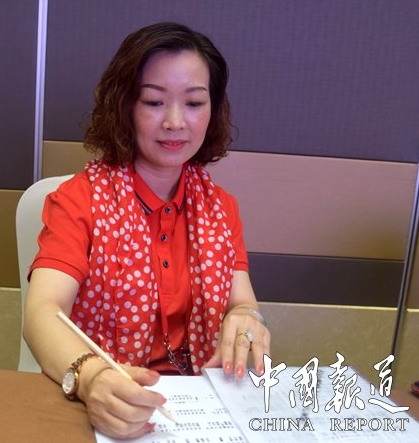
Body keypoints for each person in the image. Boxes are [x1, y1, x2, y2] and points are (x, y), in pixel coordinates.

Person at [23, 22, 270, 439]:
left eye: (194, 102)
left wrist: (247, 319)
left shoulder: (220, 208)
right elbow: (42, 313)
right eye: (154, 102)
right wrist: (92, 377)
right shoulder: (79, 200)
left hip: (198, 409)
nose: (175, 122)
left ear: (213, 110)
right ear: (125, 106)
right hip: (100, 400)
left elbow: (242, 303)